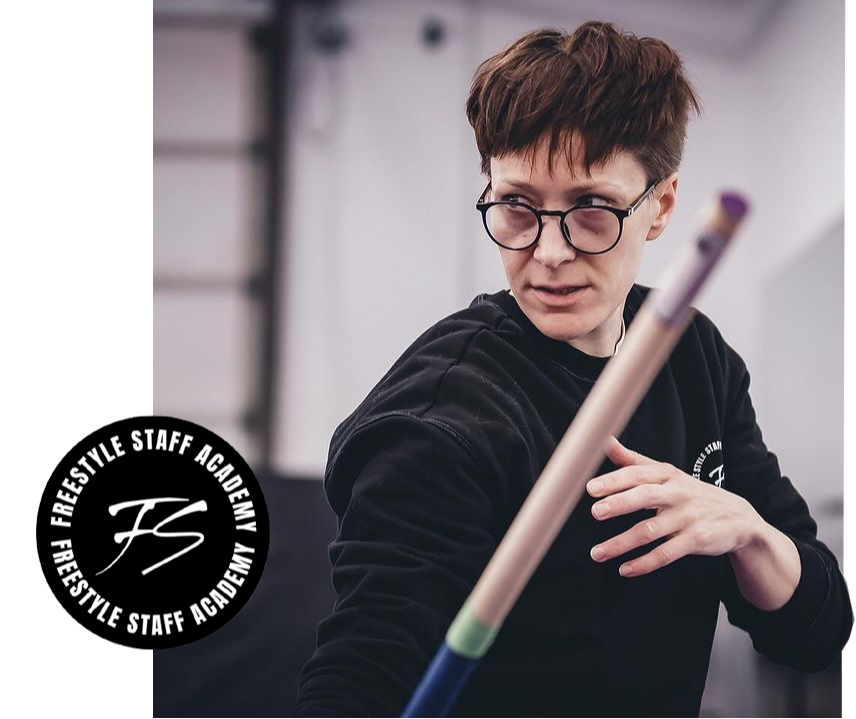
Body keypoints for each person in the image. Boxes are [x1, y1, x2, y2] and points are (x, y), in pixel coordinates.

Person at [293, 21, 852, 718]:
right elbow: (365, 664)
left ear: (660, 206)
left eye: (591, 208)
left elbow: (817, 629)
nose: (550, 251)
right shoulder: (445, 416)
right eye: (517, 205)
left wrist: (747, 530)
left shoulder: (694, 357)